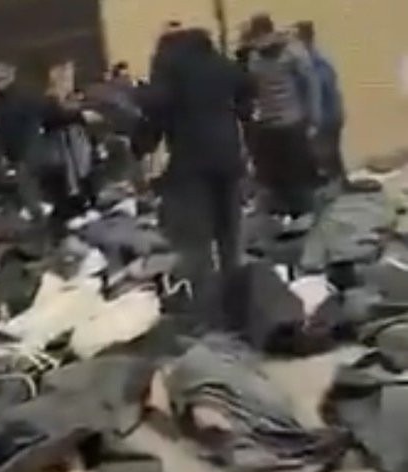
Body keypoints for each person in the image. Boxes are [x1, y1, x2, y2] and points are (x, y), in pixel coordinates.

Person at [139, 27, 253, 327]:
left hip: (191, 163)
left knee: (196, 242)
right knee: (229, 238)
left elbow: (158, 108)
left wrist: (143, 141)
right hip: (228, 158)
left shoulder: (171, 66)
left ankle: (207, 315)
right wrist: (240, 112)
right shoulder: (218, 63)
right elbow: (247, 86)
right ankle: (238, 309)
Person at [245, 12, 322, 215]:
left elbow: (311, 84)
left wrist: (314, 116)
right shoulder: (259, 56)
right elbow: (254, 89)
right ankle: (287, 214)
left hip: (287, 122)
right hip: (276, 123)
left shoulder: (289, 52)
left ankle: (302, 213)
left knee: (294, 176)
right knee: (280, 177)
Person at [40, 61, 99, 236]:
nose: (70, 82)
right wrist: (81, 115)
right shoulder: (50, 100)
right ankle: (71, 215)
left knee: (80, 176)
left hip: (73, 148)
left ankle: (82, 208)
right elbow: (57, 116)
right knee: (67, 183)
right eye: (66, 78)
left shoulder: (69, 99)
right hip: (61, 150)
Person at [0, 61, 45, 219]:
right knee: (24, 190)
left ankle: (38, 216)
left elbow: (32, 123)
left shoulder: (21, 97)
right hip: (14, 152)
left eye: (0, 78)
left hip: (26, 151)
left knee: (29, 190)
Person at [295, 19, 345, 181]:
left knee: (324, 160)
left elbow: (316, 91)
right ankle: (338, 180)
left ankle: (334, 183)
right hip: (332, 114)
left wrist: (313, 122)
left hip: (324, 118)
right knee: (332, 158)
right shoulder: (322, 59)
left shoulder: (310, 63)